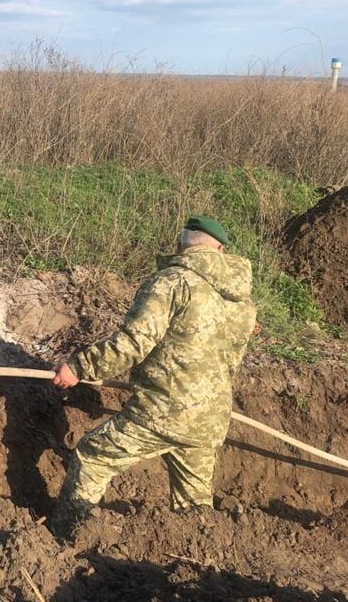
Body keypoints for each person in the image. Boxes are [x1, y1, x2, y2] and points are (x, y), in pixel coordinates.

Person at [50, 215, 256, 529]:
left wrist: (79, 367)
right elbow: (231, 357)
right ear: (221, 251)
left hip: (164, 411)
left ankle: (64, 536)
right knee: (194, 503)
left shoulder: (172, 281)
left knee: (93, 456)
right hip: (211, 419)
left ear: (181, 242)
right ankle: (200, 561)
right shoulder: (242, 301)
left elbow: (134, 343)